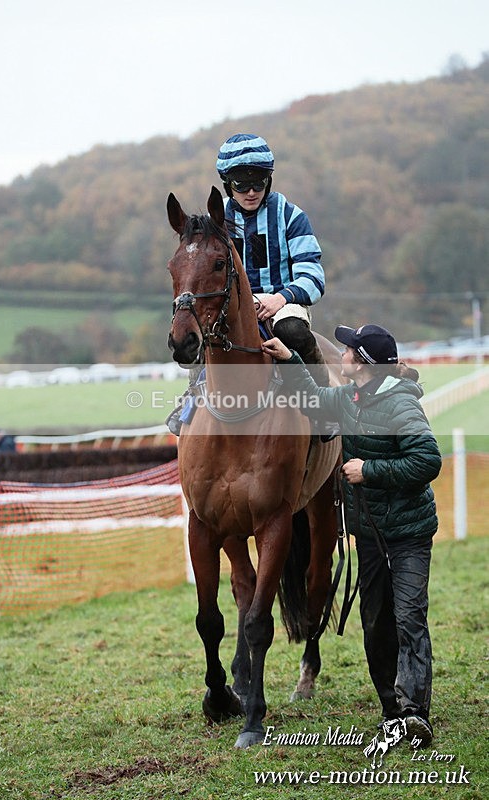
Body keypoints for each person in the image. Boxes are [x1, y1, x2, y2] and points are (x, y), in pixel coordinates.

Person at [262, 323, 442, 748]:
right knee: (376, 620)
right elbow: (314, 399)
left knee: (410, 617)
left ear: (363, 364)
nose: (342, 352)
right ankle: (392, 711)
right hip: (372, 536)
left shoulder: (401, 408)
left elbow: (428, 460)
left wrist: (368, 471)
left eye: (349, 349)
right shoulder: (352, 396)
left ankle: (415, 713)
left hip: (409, 534)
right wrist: (290, 361)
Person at [166, 132, 327, 435]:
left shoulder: (291, 216)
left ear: (270, 180)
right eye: (242, 184)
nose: (251, 191)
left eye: (259, 182)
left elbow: (314, 276)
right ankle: (192, 398)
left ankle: (321, 405)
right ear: (228, 183)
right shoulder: (216, 220)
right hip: (231, 304)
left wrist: (281, 298)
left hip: (283, 304)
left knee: (292, 331)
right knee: (200, 331)